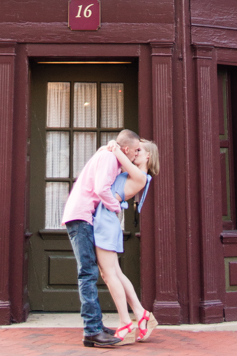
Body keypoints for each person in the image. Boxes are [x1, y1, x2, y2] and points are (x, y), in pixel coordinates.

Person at [62, 128, 142, 348]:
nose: (136, 155)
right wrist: (116, 207)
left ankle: (95, 326)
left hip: (81, 216)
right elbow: (100, 188)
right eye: (136, 150)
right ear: (126, 149)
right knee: (87, 273)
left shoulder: (108, 156)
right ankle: (92, 330)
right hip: (81, 217)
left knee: (88, 272)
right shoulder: (109, 157)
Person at [94, 139, 160, 344]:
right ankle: (141, 314)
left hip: (107, 222)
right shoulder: (130, 171)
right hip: (105, 220)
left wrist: (115, 145)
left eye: (140, 150)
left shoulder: (141, 176)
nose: (136, 152)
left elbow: (118, 155)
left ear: (148, 156)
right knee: (114, 274)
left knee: (109, 274)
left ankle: (125, 322)